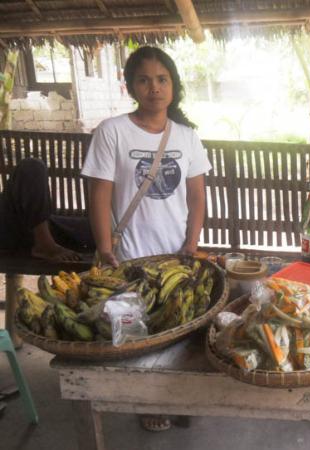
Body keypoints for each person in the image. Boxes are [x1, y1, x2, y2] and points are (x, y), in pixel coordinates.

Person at [81, 46, 212, 431]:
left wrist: (191, 243)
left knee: (179, 332)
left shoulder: (187, 137)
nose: (154, 87)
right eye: (144, 79)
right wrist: (105, 247)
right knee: (136, 336)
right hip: (128, 256)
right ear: (130, 86)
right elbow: (100, 194)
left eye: (162, 79)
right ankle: (146, 402)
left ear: (173, 85)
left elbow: (197, 196)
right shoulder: (112, 132)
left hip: (175, 256)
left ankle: (178, 397)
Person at [0, 158, 94, 261]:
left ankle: (43, 236)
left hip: (28, 226)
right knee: (32, 166)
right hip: (10, 231)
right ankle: (44, 243)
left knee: (98, 229)